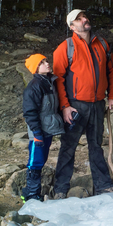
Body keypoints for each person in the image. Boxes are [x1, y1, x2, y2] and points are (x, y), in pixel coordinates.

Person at [51, 9, 113, 197]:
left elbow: (111, 71)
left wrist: (111, 96)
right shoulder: (65, 48)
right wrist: (64, 107)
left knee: (96, 145)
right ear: (72, 27)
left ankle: (103, 186)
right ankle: (61, 188)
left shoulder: (102, 44)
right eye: (78, 19)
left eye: (85, 17)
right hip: (75, 106)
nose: (84, 20)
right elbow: (58, 79)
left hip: (97, 104)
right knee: (68, 147)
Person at [20, 53, 65, 202]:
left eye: (46, 61)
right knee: (35, 162)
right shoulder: (34, 87)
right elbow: (30, 113)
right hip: (39, 132)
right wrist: (37, 133)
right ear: (36, 68)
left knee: (42, 159)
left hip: (48, 130)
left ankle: (30, 191)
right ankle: (31, 194)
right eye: (42, 63)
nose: (47, 63)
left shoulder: (49, 82)